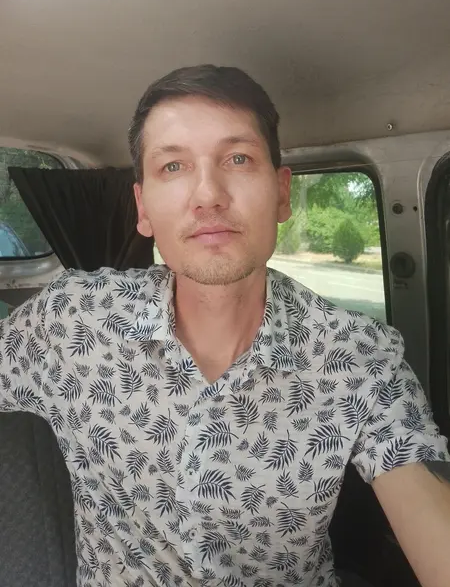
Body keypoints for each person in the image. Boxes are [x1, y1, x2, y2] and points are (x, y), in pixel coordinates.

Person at [1, 65, 449, 587]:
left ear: (281, 193)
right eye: (173, 166)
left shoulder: (357, 354)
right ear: (143, 209)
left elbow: (422, 497)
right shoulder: (70, 320)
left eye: (238, 159)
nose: (208, 194)